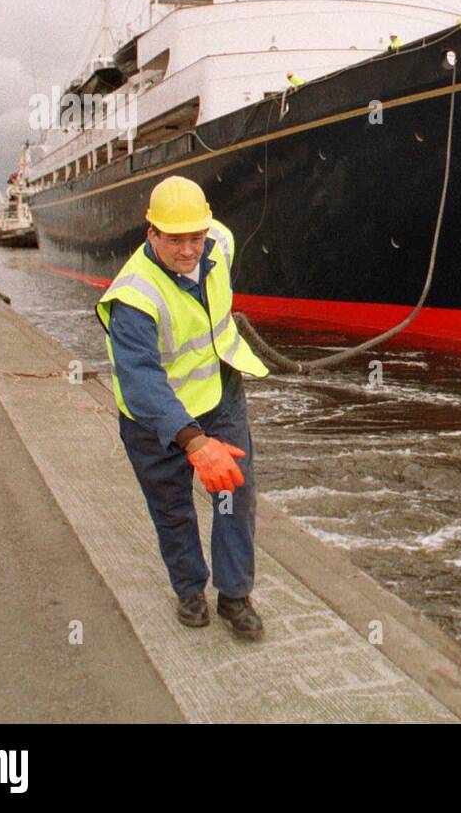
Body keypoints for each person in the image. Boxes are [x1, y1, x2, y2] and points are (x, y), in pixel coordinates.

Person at [95, 175, 271, 639]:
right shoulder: (133, 296)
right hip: (156, 420)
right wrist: (193, 441)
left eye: (196, 237)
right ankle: (190, 589)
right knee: (172, 508)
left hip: (218, 392)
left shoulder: (222, 242)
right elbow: (140, 382)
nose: (189, 250)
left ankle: (235, 596)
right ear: (151, 234)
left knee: (235, 496)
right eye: (175, 240)